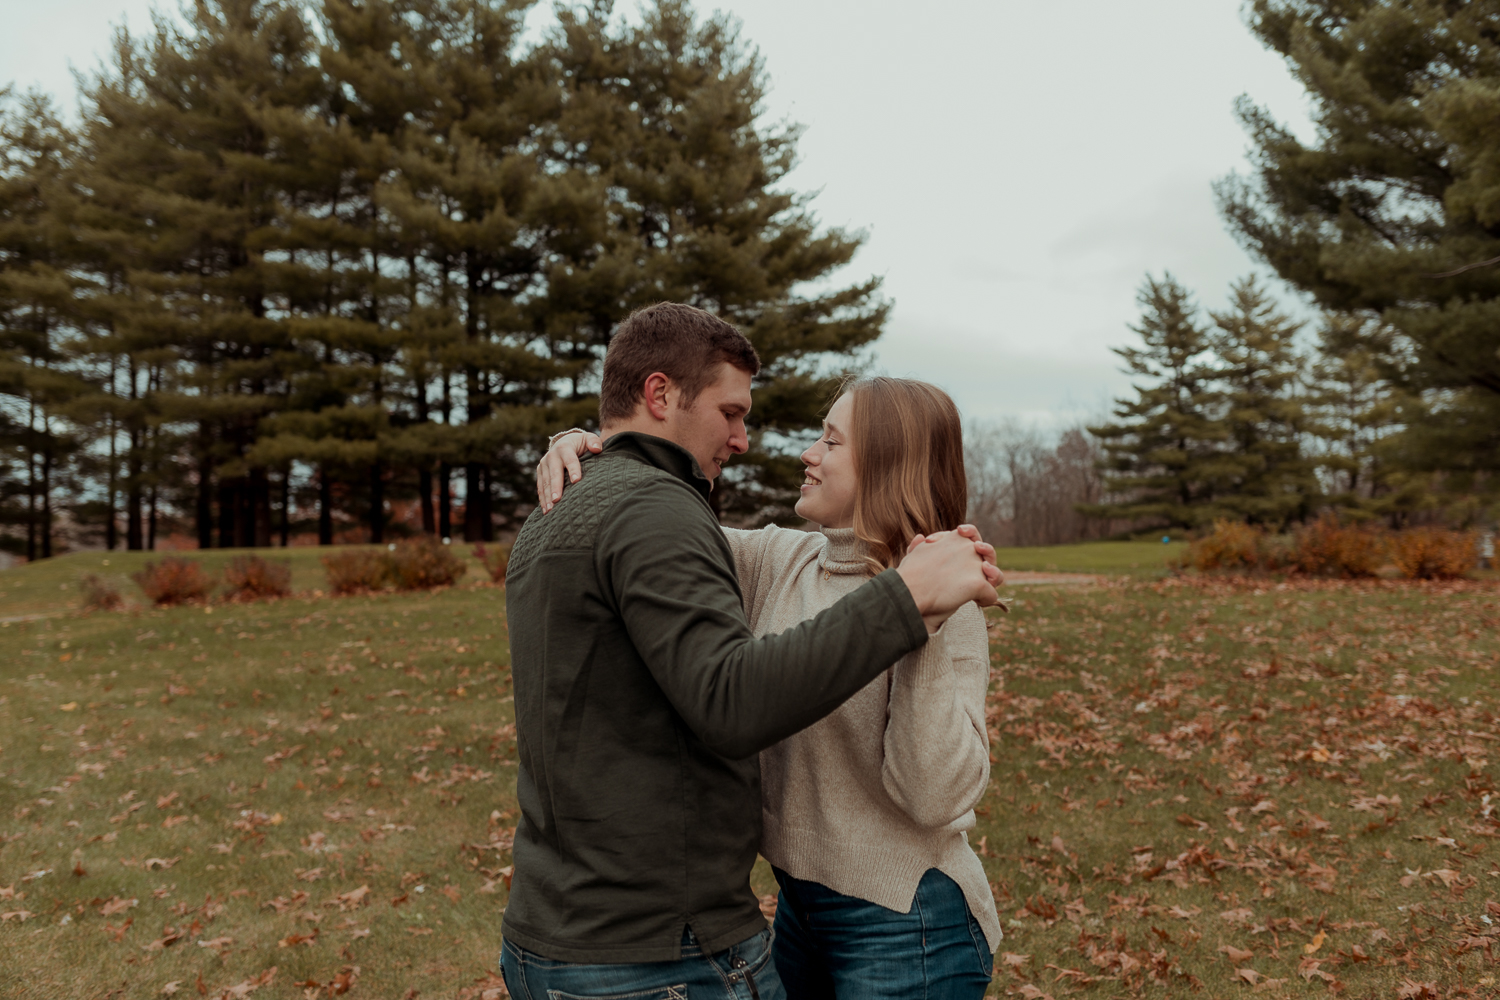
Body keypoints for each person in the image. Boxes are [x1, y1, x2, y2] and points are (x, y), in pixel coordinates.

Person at [501, 303, 1001, 1000]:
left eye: (830, 442)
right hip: (799, 909)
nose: (805, 453)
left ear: (889, 461)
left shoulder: (946, 600)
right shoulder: (778, 559)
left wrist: (925, 620)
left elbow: (932, 796)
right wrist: (585, 443)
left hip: (908, 917)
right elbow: (635, 521)